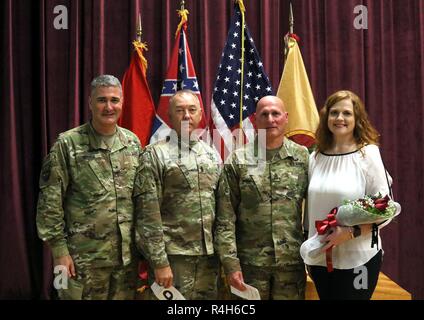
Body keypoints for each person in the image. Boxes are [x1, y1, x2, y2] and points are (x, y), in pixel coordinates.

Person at [36, 75, 142, 300]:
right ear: (90, 103)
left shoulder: (132, 143)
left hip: (125, 262)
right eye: (102, 100)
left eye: (114, 100)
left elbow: (141, 201)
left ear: (122, 102)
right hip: (80, 261)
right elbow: (49, 203)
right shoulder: (68, 144)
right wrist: (59, 252)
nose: (109, 107)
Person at [214, 95, 309, 300]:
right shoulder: (238, 160)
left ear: (286, 117)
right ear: (256, 120)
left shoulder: (303, 158)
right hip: (249, 267)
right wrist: (230, 264)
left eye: (275, 113)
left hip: (290, 265)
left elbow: (316, 207)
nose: (270, 119)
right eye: (264, 114)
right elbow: (224, 219)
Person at [304, 90, 393, 300]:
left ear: (357, 119)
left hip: (358, 258)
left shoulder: (368, 154)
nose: (339, 118)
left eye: (347, 113)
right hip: (321, 260)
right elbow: (309, 208)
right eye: (334, 113)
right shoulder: (316, 156)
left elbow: (386, 209)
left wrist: (350, 232)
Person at [133, 89, 221, 300]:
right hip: (173, 258)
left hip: (208, 258)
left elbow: (221, 207)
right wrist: (160, 262)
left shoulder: (210, 154)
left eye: (192, 110)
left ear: (201, 115)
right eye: (180, 111)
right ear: (170, 116)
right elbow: (148, 214)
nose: (187, 116)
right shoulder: (155, 154)